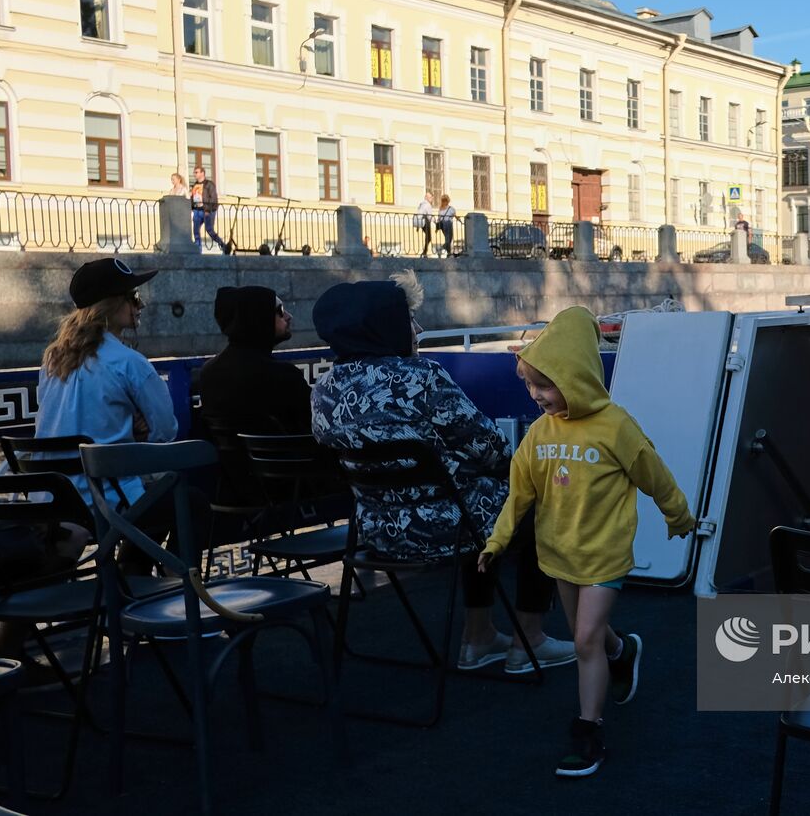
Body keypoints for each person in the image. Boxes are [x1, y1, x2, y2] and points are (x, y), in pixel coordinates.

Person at [311, 272, 573, 674]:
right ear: (383, 326)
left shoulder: (324, 390)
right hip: (445, 528)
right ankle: (528, 640)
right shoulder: (420, 378)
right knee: (534, 500)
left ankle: (480, 638)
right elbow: (492, 447)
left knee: (475, 497)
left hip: (376, 531)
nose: (417, 330)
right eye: (407, 320)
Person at [480, 306, 695, 777]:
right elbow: (519, 495)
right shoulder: (538, 434)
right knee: (591, 638)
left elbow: (653, 474)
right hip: (559, 554)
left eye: (545, 385)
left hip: (604, 555)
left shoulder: (616, 426)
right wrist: (496, 543)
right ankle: (623, 652)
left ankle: (588, 730)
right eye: (530, 386)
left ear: (576, 376)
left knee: (582, 641)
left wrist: (678, 515)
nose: (536, 396)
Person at [34, 258, 179, 574]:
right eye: (134, 298)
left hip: (53, 497)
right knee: (188, 499)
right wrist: (137, 436)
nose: (139, 306)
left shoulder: (51, 361)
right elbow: (166, 433)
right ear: (114, 305)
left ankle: (129, 578)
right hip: (106, 502)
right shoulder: (130, 363)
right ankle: (145, 579)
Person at [200, 286, 310, 434]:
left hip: (230, 457)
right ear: (259, 317)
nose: (288, 316)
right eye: (281, 311)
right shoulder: (284, 376)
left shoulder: (208, 372)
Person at [190, 166, 229, 254]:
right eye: (194, 172)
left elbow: (213, 198)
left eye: (196, 172)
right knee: (196, 231)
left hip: (207, 211)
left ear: (202, 173)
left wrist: (208, 210)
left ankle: (223, 245)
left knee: (209, 230)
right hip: (197, 210)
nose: (194, 174)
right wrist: (192, 207)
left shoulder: (209, 184)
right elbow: (193, 197)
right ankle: (198, 250)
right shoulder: (195, 185)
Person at [415, 191, 435, 258]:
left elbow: (418, 212)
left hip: (420, 221)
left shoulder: (421, 203)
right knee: (429, 237)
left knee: (428, 237)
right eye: (431, 198)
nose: (431, 199)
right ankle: (424, 253)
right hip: (425, 221)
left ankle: (424, 252)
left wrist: (418, 226)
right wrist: (436, 222)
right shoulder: (428, 205)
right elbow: (429, 216)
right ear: (428, 198)